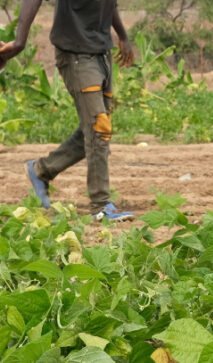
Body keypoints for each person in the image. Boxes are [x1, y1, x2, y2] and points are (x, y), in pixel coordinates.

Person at [0, 0, 135, 221]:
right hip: (77, 56)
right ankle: (101, 205)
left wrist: (123, 36)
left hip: (102, 52)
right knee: (98, 129)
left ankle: (40, 170)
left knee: (94, 131)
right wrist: (19, 41)